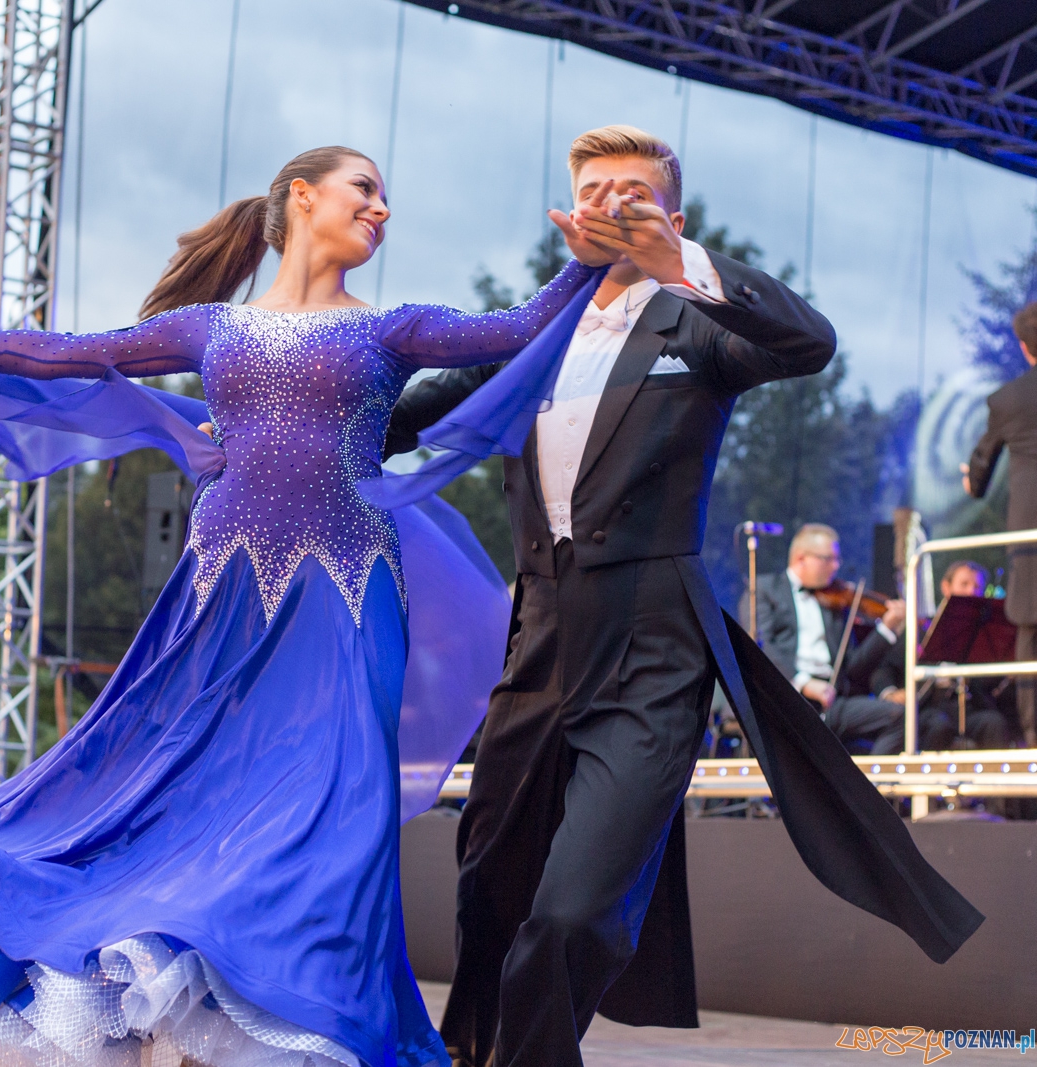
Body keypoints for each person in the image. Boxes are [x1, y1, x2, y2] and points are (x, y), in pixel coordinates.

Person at [0, 145, 614, 1066]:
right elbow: (73, 354)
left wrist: (588, 258)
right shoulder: (210, 326)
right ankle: (191, 1012)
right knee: (176, 792)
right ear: (302, 197)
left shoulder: (394, 327)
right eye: (366, 189)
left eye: (387, 199)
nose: (382, 209)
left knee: (337, 810)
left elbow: (516, 330)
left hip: (347, 595)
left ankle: (304, 1028)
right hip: (221, 592)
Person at [383, 125, 980, 1067]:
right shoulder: (528, 333)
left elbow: (808, 342)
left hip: (652, 651)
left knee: (572, 915)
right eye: (597, 190)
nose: (615, 203)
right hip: (536, 646)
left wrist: (683, 264)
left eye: (637, 190)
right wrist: (271, 419)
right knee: (489, 895)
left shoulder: (695, 322)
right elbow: (402, 415)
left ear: (673, 214)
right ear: (571, 212)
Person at [756, 524, 907, 754]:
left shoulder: (834, 601)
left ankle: (869, 789)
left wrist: (886, 629)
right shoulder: (765, 590)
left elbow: (854, 667)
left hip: (832, 700)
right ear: (801, 558)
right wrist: (803, 683)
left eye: (837, 559)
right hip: (786, 697)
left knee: (900, 716)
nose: (836, 566)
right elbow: (760, 645)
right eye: (828, 559)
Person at [964, 299, 1037, 748]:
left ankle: (1034, 739)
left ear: (1024, 347)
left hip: (1030, 542)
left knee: (1030, 632)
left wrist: (969, 481)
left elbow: (978, 478)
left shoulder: (1007, 400)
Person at [866, 560, 1012, 751]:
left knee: (994, 722)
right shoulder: (923, 629)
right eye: (964, 584)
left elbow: (989, 686)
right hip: (929, 706)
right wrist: (890, 692)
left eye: (977, 587)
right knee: (938, 726)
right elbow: (885, 668)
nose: (971, 592)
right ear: (946, 587)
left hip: (967, 707)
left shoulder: (984, 635)